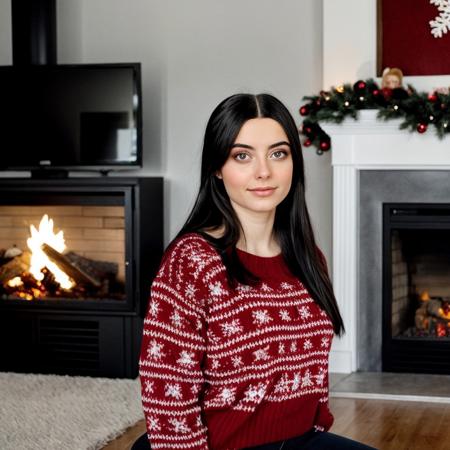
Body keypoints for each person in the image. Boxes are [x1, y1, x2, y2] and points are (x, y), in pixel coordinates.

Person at [137, 93, 377, 450]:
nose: (263, 171)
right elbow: (166, 385)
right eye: (242, 155)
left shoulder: (308, 256)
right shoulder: (193, 261)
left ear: (293, 162)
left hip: (302, 439)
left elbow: (313, 371)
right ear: (217, 167)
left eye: (278, 153)